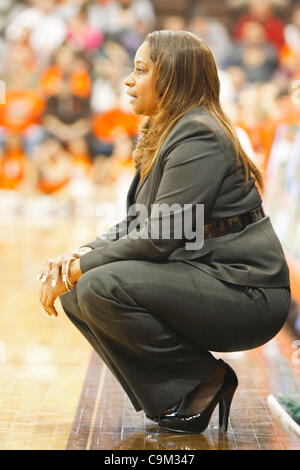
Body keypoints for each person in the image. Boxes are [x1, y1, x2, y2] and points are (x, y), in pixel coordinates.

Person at [37, 30, 291, 434]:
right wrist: (78, 254)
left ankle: (205, 380)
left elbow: (159, 238)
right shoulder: (168, 130)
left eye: (140, 70)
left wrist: (81, 266)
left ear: (172, 78)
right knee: (80, 292)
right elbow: (136, 222)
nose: (128, 80)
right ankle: (182, 390)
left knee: (100, 284)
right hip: (211, 275)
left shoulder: (199, 133)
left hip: (246, 288)